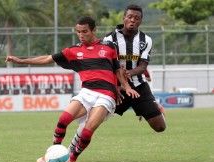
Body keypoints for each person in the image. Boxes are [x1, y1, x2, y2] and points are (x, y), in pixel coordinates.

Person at [5, 16, 139, 162]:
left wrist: (126, 87)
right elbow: (47, 58)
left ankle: (72, 159)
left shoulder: (108, 47)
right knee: (63, 120)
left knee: (87, 131)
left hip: (106, 95)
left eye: (85, 31)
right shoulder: (74, 51)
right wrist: (21, 61)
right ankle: (51, 153)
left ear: (94, 30)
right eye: (78, 32)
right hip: (87, 92)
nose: (81, 35)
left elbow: (117, 70)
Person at [68, 5, 166, 151]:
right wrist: (116, 85)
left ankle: (150, 107)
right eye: (130, 17)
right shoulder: (110, 39)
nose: (132, 20)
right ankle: (69, 150)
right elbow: (106, 66)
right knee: (92, 120)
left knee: (160, 127)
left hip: (139, 87)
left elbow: (143, 66)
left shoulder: (146, 40)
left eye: (136, 18)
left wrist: (129, 74)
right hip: (115, 88)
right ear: (124, 18)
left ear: (140, 21)